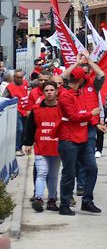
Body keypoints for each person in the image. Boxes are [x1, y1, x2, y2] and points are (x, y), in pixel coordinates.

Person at [57, 66, 103, 215]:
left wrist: (95, 123)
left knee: (92, 169)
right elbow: (74, 116)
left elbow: (81, 114)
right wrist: (91, 113)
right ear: (81, 80)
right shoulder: (65, 95)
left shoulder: (78, 93)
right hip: (69, 139)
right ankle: (64, 204)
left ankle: (87, 201)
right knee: (69, 173)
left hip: (82, 138)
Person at [23, 81, 61, 212]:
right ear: (43, 93)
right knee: (42, 173)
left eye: (52, 90)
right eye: (47, 90)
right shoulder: (36, 109)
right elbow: (30, 127)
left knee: (54, 174)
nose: (49, 92)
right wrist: (28, 143)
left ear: (56, 92)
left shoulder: (62, 108)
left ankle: (51, 199)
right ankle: (38, 198)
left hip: (56, 147)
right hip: (41, 146)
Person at [3, 69, 29, 156]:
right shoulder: (9, 87)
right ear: (14, 77)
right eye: (18, 77)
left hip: (25, 110)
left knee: (25, 130)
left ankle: (20, 146)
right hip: (16, 110)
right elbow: (4, 99)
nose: (20, 79)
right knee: (19, 129)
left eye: (21, 77)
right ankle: (17, 148)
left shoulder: (25, 83)